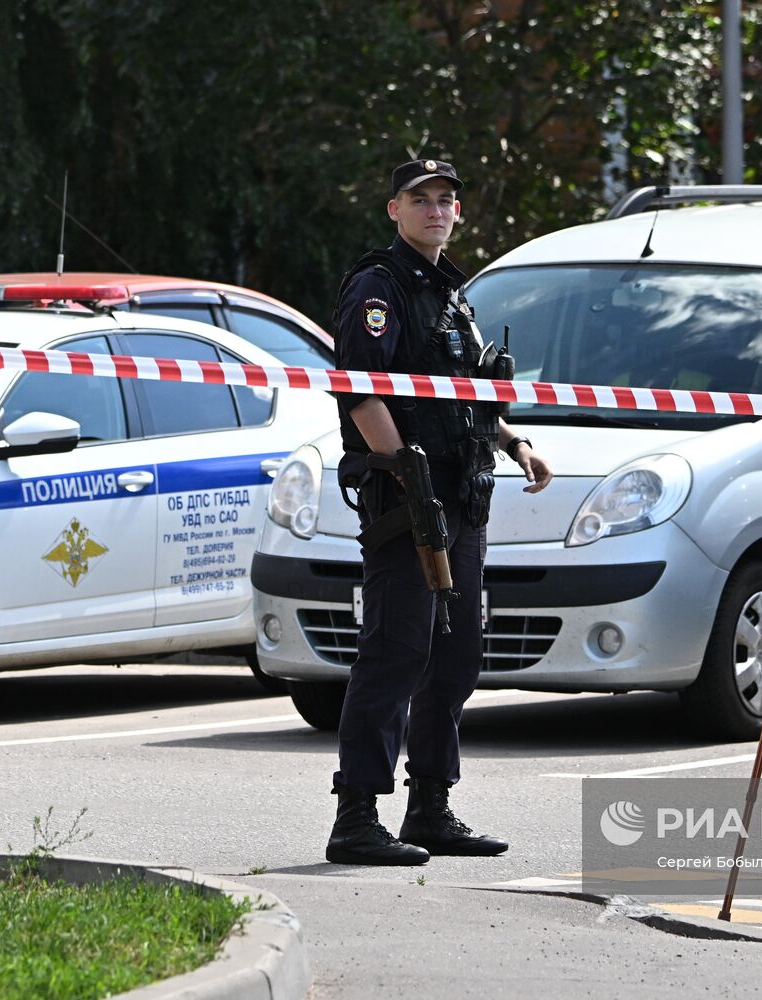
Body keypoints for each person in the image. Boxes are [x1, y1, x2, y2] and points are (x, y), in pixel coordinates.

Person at [325, 157, 553, 866]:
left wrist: (516, 444)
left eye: (446, 199)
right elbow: (360, 393)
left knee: (454, 659)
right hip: (408, 499)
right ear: (394, 209)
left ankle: (431, 805)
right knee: (397, 652)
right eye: (420, 199)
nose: (435, 209)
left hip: (464, 492)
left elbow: (470, 391)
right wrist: (405, 473)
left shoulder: (454, 294)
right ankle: (357, 815)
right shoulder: (380, 287)